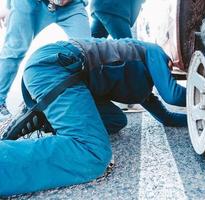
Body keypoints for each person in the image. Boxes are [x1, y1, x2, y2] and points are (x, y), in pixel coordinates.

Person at [0, 38, 187, 196]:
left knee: (117, 120)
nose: (170, 72)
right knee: (92, 152)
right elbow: (173, 94)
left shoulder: (143, 88)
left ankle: (47, 117)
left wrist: (204, 122)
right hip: (57, 67)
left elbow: (167, 118)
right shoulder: (152, 51)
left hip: (69, 76)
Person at [0, 0, 91, 121]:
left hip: (71, 5)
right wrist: (7, 7)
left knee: (87, 51)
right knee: (14, 50)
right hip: (29, 3)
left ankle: (92, 102)